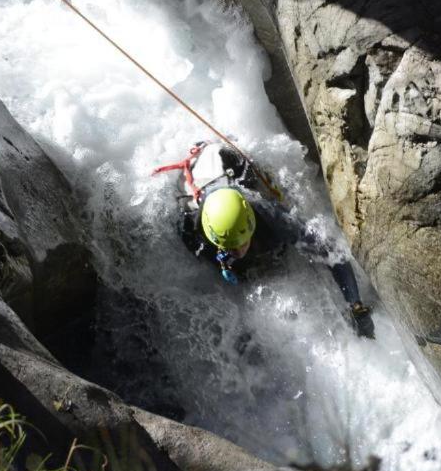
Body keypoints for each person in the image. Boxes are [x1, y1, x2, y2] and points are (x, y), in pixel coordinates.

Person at [153, 141, 375, 338]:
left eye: (241, 243)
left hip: (229, 167)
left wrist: (355, 305)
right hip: (205, 186)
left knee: (275, 248)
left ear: (251, 223)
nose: (238, 251)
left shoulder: (268, 214)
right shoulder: (192, 229)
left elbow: (331, 254)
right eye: (231, 247)